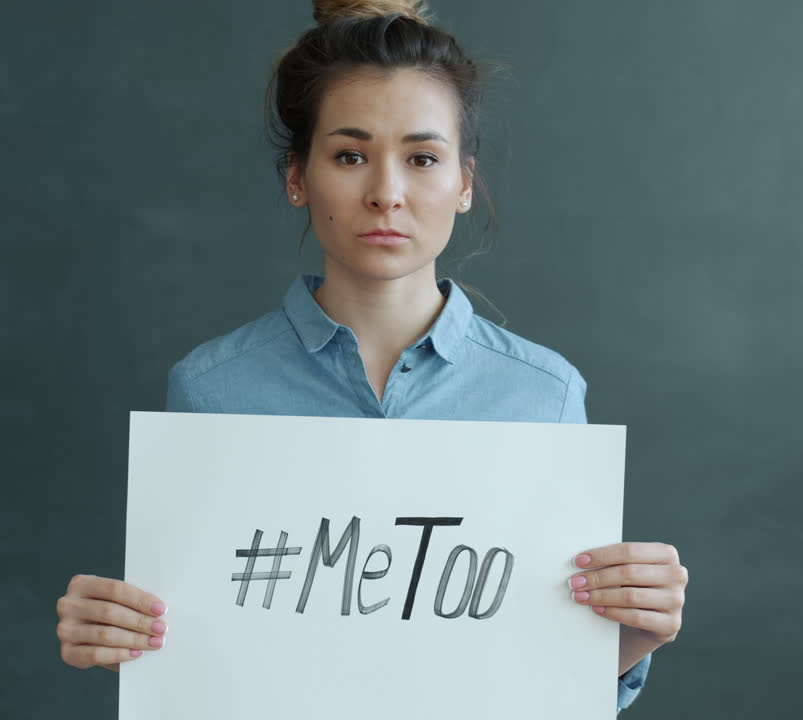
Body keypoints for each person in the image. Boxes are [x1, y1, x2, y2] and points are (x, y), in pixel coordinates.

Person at [55, 0, 688, 713]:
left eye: (422, 158)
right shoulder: (212, 390)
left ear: (464, 182)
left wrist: (628, 640)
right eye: (350, 155)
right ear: (298, 175)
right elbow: (208, 662)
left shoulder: (543, 396)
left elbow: (540, 681)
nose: (387, 193)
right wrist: (118, 636)